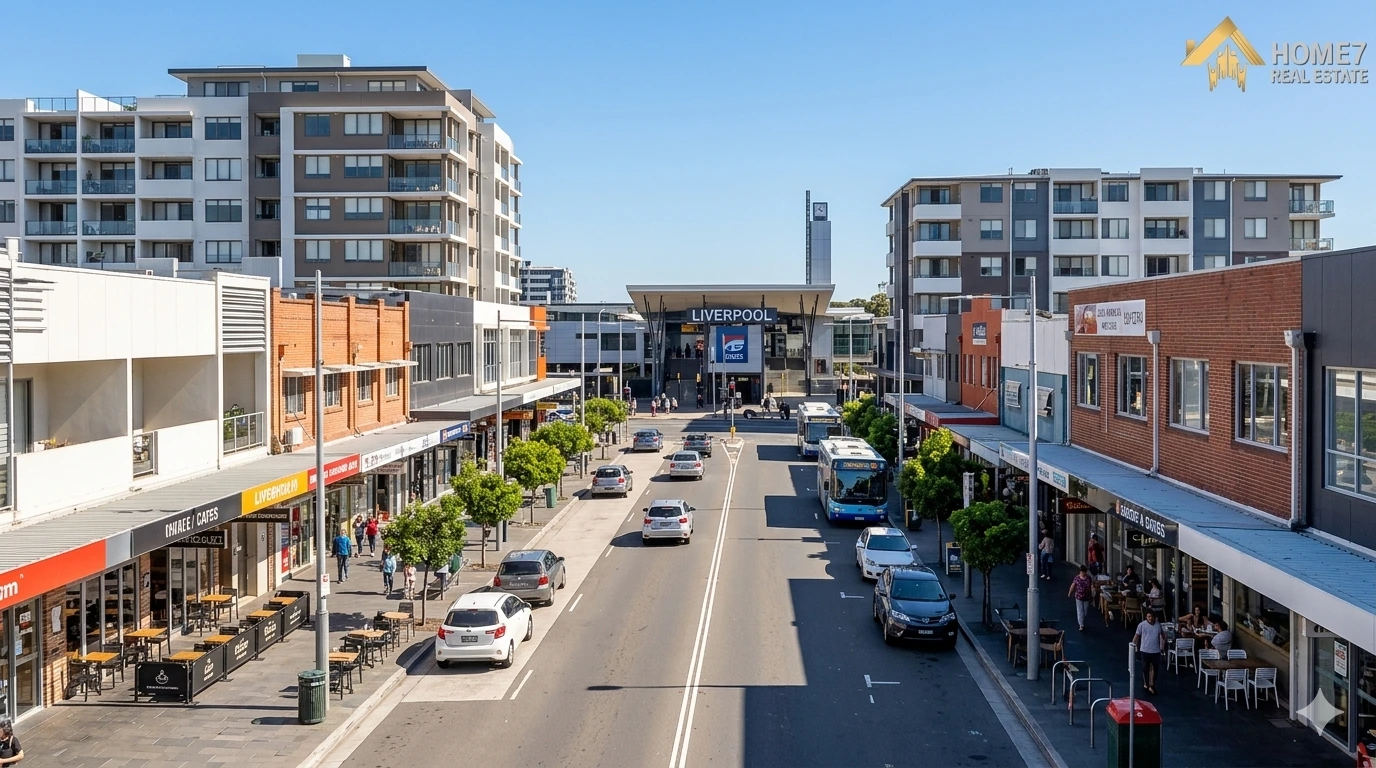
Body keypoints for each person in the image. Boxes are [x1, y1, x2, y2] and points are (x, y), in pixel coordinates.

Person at [1132, 610, 1164, 695]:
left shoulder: (1158, 625)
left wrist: (1162, 647)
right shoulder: (1142, 625)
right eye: (1148, 616)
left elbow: (1161, 636)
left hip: (1155, 650)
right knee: (1145, 668)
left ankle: (1152, 684)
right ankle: (1146, 683)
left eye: (1151, 616)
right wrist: (1133, 645)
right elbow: (1137, 636)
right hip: (1145, 650)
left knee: (1154, 668)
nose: (1150, 618)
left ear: (1154, 617)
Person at [1068, 565, 1095, 631]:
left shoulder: (1088, 578)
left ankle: (1082, 620)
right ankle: (1081, 625)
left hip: (1086, 597)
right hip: (1078, 597)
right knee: (1080, 611)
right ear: (1081, 572)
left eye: (1085, 572)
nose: (1084, 574)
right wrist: (1070, 593)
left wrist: (1092, 592)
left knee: (1085, 611)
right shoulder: (1077, 578)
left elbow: (1091, 586)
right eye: (1083, 572)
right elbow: (1073, 585)